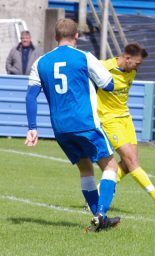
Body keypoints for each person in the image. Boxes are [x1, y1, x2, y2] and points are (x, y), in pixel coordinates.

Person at [25, 18, 120, 232]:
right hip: (85, 123)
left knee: (85, 168)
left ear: (55, 36)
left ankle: (98, 218)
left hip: (60, 129)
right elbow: (109, 84)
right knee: (111, 167)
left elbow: (31, 96)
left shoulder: (40, 62)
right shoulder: (84, 57)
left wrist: (32, 128)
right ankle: (102, 213)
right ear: (77, 35)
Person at [97, 43, 155, 209]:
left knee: (129, 163)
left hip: (125, 118)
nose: (139, 67)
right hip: (109, 120)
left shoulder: (132, 70)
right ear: (127, 58)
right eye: (137, 63)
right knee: (131, 160)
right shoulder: (104, 67)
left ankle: (99, 194)